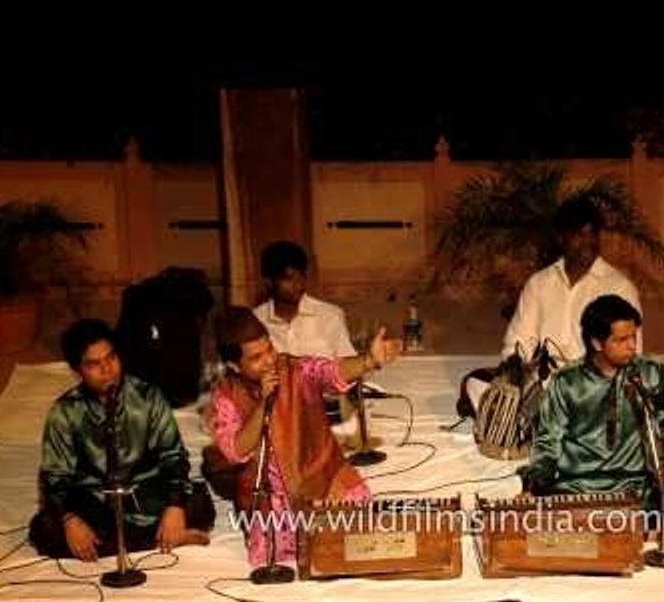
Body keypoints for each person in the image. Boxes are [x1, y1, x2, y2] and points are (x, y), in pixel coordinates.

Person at [203, 307, 401, 574]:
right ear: (233, 366)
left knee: (358, 535)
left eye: (269, 349)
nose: (269, 361)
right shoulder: (226, 396)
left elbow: (329, 372)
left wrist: (367, 361)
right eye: (256, 358)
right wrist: (263, 404)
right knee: (274, 554)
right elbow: (236, 451)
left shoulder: (294, 369)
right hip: (268, 494)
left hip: (319, 475)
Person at [29, 319, 215, 561]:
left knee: (200, 506)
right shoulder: (65, 412)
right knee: (45, 531)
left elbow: (174, 457)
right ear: (78, 371)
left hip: (147, 494)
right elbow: (54, 476)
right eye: (95, 365)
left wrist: (174, 506)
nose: (108, 370)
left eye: (111, 358)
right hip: (95, 501)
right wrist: (70, 519)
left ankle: (130, 541)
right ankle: (157, 539)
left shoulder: (148, 397)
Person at [518, 294, 664, 536]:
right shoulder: (567, 382)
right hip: (578, 488)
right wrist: (534, 485)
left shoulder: (650, 373)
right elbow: (548, 441)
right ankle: (639, 524)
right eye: (621, 340)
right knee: (544, 505)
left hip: (636, 486)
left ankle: (618, 521)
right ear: (596, 342)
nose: (633, 346)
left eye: (633, 337)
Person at [459, 195, 643, 426]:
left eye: (592, 234)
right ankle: (528, 422)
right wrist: (513, 374)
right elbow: (519, 340)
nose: (587, 241)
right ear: (561, 238)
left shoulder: (619, 287)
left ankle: (534, 428)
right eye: (578, 234)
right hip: (543, 385)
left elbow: (629, 356)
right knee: (475, 382)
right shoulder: (540, 283)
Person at [253, 240, 357, 358]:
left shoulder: (331, 316)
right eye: (289, 278)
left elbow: (348, 365)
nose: (299, 284)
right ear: (268, 282)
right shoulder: (255, 321)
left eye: (301, 276)